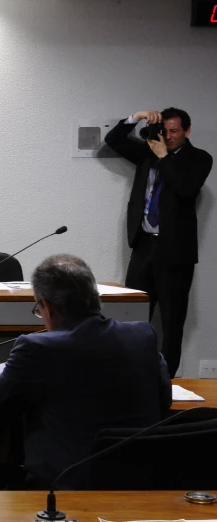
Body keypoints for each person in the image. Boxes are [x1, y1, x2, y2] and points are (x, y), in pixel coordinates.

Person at [0, 254, 171, 490]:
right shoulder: (143, 334)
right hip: (140, 480)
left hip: (64, 485)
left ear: (48, 307)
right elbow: (164, 399)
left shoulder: (36, 347)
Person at [104, 108, 213, 378]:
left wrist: (165, 158)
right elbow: (113, 140)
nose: (169, 136)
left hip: (175, 252)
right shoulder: (147, 152)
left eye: (175, 131)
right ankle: (129, 377)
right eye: (165, 131)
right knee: (130, 318)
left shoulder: (199, 159)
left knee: (171, 323)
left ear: (187, 131)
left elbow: (186, 189)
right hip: (143, 246)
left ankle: (166, 384)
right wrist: (135, 118)